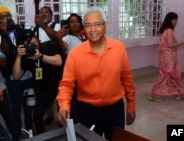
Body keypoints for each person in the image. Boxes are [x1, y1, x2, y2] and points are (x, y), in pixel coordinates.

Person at [56, 6, 136, 141]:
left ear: (106, 26)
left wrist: (131, 105)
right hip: (88, 112)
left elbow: (127, 79)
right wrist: (64, 105)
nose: (92, 30)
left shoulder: (119, 48)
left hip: (115, 110)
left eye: (97, 24)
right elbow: (66, 84)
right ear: (84, 28)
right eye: (88, 25)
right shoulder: (75, 54)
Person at [0, 6, 34, 137]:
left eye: (8, 16)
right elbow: (4, 53)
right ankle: (17, 131)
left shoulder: (19, 29)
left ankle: (29, 128)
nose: (6, 19)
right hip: (12, 77)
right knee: (16, 107)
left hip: (28, 73)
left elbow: (29, 42)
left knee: (29, 104)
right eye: (2, 17)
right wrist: (5, 34)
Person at [12, 35, 63, 135]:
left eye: (31, 39)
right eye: (26, 42)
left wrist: (41, 56)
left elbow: (59, 61)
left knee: (67, 114)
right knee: (37, 115)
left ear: (37, 39)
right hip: (45, 89)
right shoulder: (27, 58)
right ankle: (41, 136)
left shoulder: (48, 45)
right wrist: (18, 56)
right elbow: (16, 75)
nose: (30, 43)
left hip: (61, 85)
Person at [149, 12, 184, 102]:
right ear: (171, 20)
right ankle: (154, 94)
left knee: (173, 75)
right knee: (165, 75)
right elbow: (171, 45)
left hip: (167, 56)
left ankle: (178, 93)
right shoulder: (169, 31)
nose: (176, 22)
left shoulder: (165, 30)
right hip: (168, 57)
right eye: (175, 20)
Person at [34, 6, 64, 125]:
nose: (43, 14)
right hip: (41, 67)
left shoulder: (56, 26)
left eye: (46, 12)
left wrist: (43, 25)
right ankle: (50, 115)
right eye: (41, 12)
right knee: (43, 94)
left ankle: (62, 118)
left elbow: (57, 37)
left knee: (60, 95)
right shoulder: (34, 29)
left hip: (57, 66)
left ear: (51, 16)